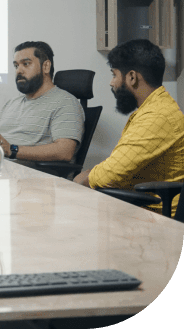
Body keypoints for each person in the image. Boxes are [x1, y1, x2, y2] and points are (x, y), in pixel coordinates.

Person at [73, 39, 184, 216]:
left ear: (132, 77)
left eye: (114, 75)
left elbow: (112, 174)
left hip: (155, 217)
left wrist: (83, 179)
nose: (112, 83)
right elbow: (119, 164)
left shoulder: (157, 116)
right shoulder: (154, 108)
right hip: (140, 206)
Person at [0, 41, 85, 162]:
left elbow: (64, 151)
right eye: (16, 65)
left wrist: (12, 150)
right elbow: (1, 145)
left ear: (46, 66)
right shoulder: (12, 104)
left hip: (32, 178)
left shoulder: (66, 103)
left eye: (26, 64)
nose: (19, 70)